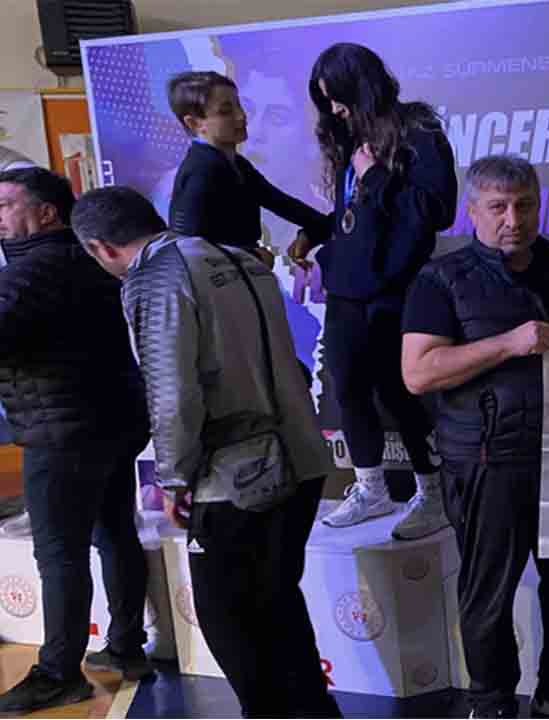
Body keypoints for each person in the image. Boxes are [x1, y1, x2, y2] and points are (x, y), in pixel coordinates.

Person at [72, 187, 339, 718]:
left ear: (100, 248)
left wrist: (174, 478)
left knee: (230, 615)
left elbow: (172, 391)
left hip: (237, 475)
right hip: (301, 456)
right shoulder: (236, 258)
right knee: (277, 603)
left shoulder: (156, 276)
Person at [402, 155, 549, 719]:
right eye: (498, 207)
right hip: (487, 458)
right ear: (472, 212)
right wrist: (506, 344)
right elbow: (418, 372)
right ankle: (491, 700)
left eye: (524, 205)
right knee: (488, 589)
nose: (513, 219)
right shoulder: (440, 279)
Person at [288, 43, 457, 540]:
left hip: (396, 289)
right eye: (325, 101)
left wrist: (378, 175)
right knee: (349, 389)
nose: (334, 109)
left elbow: (435, 211)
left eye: (337, 97)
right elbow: (354, 213)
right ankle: (371, 489)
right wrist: (314, 233)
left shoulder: (418, 131)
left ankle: (433, 494)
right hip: (346, 290)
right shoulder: (351, 138)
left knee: (401, 394)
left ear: (362, 87)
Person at [0, 169, 151, 713]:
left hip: (59, 434)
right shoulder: (92, 260)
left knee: (59, 555)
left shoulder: (28, 272)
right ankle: (127, 647)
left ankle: (59, 672)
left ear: (46, 213)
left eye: (5, 205)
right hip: (112, 423)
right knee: (116, 535)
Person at [165, 71, 330, 267]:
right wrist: (252, 257)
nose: (241, 116)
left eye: (239, 106)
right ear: (194, 123)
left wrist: (315, 231)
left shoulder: (236, 164)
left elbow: (281, 203)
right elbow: (187, 249)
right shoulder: (201, 170)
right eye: (226, 111)